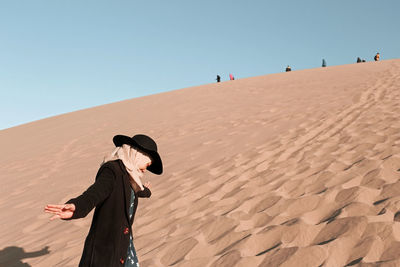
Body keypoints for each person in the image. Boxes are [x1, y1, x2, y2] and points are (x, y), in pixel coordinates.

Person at [44, 134, 163, 267]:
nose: (146, 169)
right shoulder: (112, 170)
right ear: (139, 154)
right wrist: (77, 207)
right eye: (148, 164)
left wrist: (147, 192)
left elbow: (136, 191)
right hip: (106, 247)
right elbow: (95, 193)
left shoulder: (131, 177)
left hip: (124, 245)